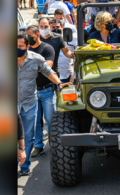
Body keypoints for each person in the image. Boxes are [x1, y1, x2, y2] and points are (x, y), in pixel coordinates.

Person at [17, 32, 71, 176]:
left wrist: (59, 83)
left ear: (27, 46)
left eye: (21, 46)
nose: (17, 48)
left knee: (28, 136)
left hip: (29, 104)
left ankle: (24, 165)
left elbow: (48, 72)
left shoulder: (36, 59)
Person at [25, 26, 56, 158]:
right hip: (32, 92)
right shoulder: (25, 49)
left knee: (50, 120)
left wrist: (30, 67)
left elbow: (47, 67)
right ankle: (39, 146)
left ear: (37, 35)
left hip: (47, 90)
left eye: (30, 36)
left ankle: (54, 144)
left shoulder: (47, 48)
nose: (28, 39)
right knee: (36, 121)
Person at [52, 19, 77, 83]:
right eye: (53, 27)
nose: (56, 29)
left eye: (57, 27)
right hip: (52, 76)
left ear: (62, 27)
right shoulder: (46, 40)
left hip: (66, 75)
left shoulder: (70, 38)